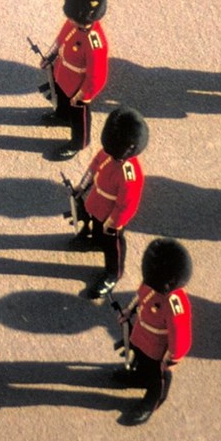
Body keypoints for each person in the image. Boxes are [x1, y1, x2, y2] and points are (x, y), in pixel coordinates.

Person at [111, 238, 193, 425]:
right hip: (142, 335)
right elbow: (140, 298)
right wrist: (128, 311)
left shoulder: (175, 303)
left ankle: (152, 402)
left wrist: (171, 358)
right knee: (142, 362)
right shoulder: (152, 283)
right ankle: (139, 377)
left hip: (159, 349)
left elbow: (181, 336)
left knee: (158, 379)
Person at [72, 107, 148, 299]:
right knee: (96, 231)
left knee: (112, 246)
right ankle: (94, 241)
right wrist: (82, 187)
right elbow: (93, 168)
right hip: (96, 204)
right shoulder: (108, 152)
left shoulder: (129, 174)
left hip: (111, 217)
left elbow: (126, 205)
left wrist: (113, 224)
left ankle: (113, 273)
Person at [42, 0, 109, 159]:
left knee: (79, 118)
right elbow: (61, 39)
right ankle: (62, 116)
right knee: (61, 100)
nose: (70, 20)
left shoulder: (94, 42)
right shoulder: (73, 19)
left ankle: (79, 142)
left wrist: (82, 95)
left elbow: (97, 77)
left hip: (79, 86)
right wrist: (50, 55)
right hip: (62, 73)